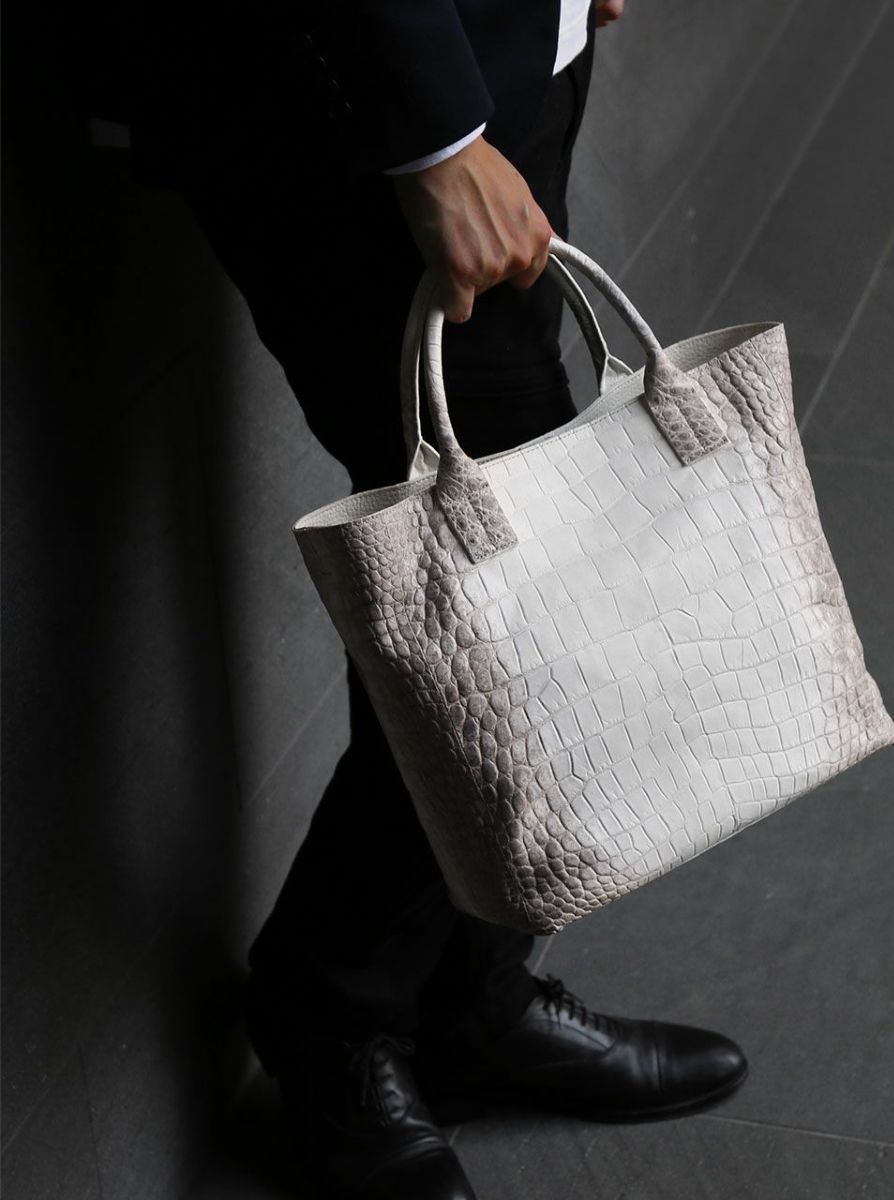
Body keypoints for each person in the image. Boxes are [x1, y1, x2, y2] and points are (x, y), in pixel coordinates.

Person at [113, 1, 748, 1196]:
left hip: (496, 51)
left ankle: (467, 995)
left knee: (484, 559)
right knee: (507, 598)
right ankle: (329, 1011)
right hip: (354, 94)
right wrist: (433, 137)